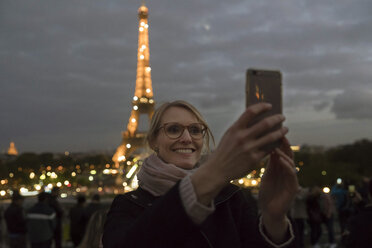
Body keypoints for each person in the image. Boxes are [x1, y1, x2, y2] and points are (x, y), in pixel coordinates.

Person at [103, 100, 299, 247]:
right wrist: (216, 172)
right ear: (154, 142)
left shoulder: (234, 199)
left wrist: (274, 220)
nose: (187, 138)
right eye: (173, 129)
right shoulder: (127, 206)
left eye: (196, 130)